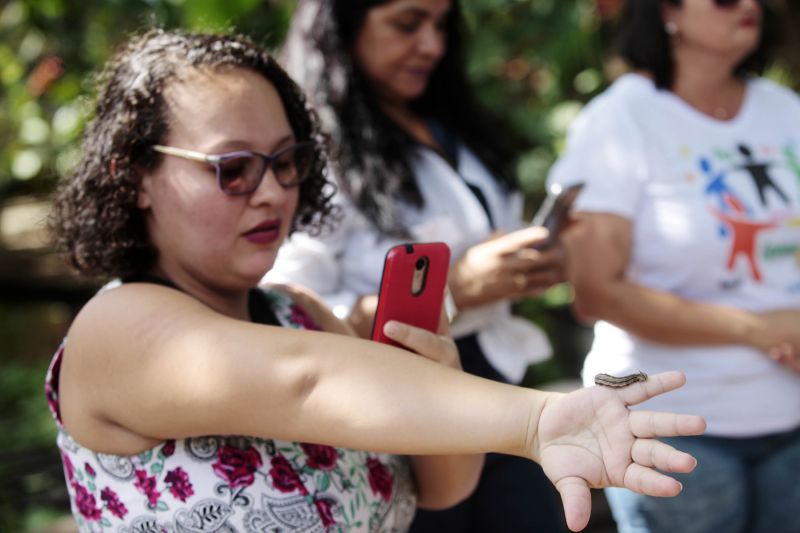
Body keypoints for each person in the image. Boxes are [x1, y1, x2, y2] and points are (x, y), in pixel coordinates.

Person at [46, 28, 705, 533]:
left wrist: (439, 379)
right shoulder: (119, 329)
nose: (272, 191)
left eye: (287, 161)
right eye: (233, 167)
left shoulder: (299, 312)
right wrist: (534, 419)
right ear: (132, 178)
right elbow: (304, 381)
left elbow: (439, 488)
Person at [267, 2, 566, 529]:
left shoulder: (448, 123)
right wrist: (453, 290)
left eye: (441, 25)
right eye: (407, 24)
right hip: (397, 412)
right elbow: (290, 312)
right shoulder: (309, 151)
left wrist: (526, 263)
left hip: (496, 382)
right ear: (343, 28)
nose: (431, 45)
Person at [547, 0, 800, 532]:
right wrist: (757, 329)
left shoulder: (784, 109)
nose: (749, 5)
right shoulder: (620, 119)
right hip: (677, 428)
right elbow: (595, 290)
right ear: (669, 12)